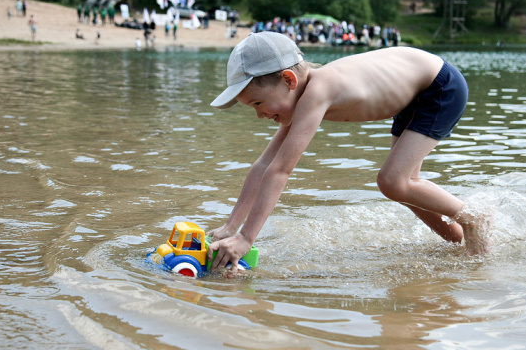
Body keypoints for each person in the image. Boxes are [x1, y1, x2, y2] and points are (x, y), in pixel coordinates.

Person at [207, 32, 492, 272]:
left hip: (438, 87)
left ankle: (473, 219)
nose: (259, 115)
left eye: (258, 103)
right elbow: (264, 164)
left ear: (289, 80)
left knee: (394, 182)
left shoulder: (318, 91)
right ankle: (461, 245)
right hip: (415, 91)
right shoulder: (304, 94)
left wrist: (247, 237)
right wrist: (232, 226)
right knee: (404, 187)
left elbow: (281, 170)